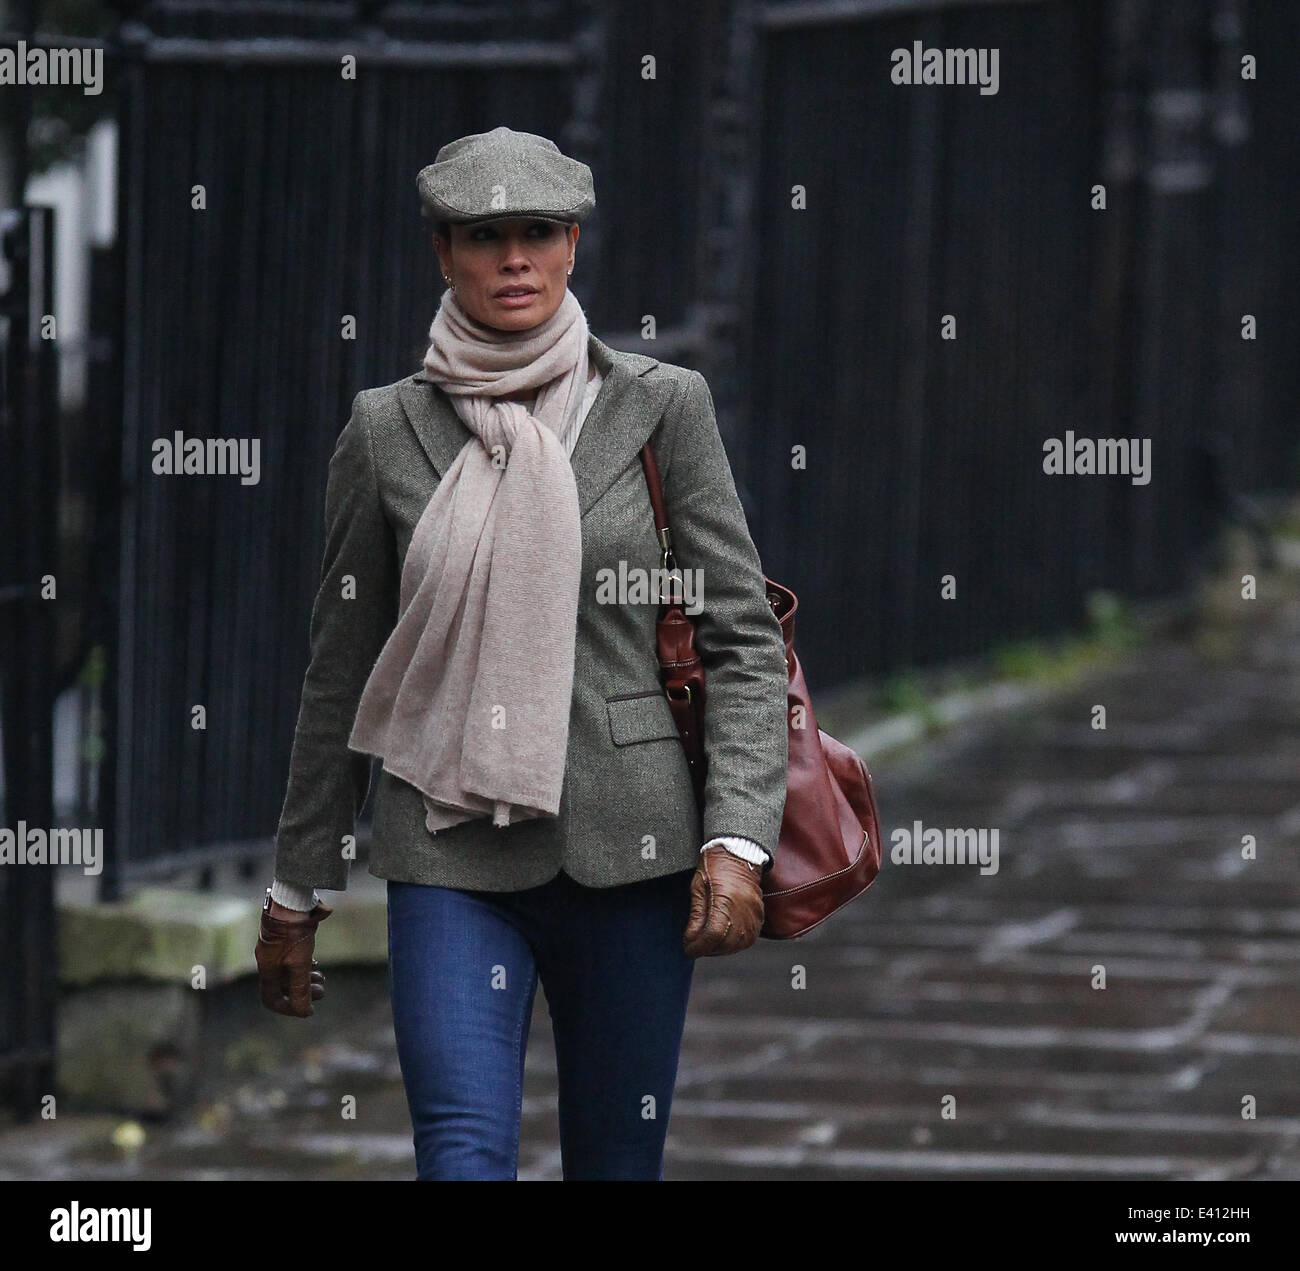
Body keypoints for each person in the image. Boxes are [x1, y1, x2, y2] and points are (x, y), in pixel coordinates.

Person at [254, 126, 788, 1180]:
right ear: (441, 251)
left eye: (537, 232)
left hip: (632, 849)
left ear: (572, 245)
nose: (514, 258)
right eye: (484, 234)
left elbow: (739, 630)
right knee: (460, 1154)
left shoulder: (659, 407)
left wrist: (738, 834)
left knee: (616, 1158)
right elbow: (343, 665)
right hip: (449, 849)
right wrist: (296, 885)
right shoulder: (386, 428)